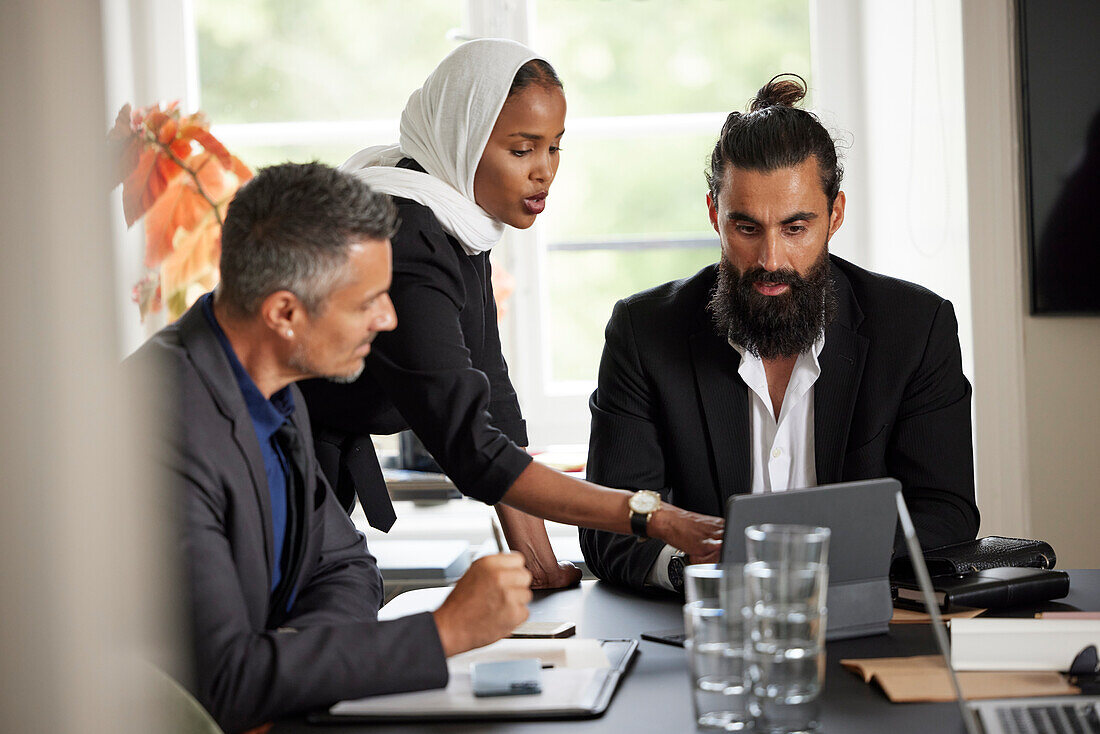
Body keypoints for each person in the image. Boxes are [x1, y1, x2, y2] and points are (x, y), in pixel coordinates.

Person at [127, 162, 534, 733]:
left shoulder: (272, 383)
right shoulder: (155, 426)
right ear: (285, 314)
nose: (389, 317)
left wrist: (290, 658)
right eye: (368, 301)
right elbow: (225, 683)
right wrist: (443, 633)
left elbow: (345, 566)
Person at [298, 38, 723, 584]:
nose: (543, 171)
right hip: (266, 466)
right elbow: (471, 445)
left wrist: (539, 564)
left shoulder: (454, 221)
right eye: (522, 150)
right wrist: (651, 517)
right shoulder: (408, 240)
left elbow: (492, 400)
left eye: (555, 147)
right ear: (463, 139)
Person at [580, 75, 980, 594]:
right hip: (705, 632)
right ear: (714, 215)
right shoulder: (643, 332)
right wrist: (701, 576)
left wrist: (793, 566)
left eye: (795, 228)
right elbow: (612, 527)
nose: (771, 260)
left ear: (834, 215)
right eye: (746, 228)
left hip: (865, 625)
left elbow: (946, 513)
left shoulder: (916, 328)